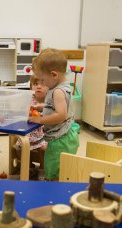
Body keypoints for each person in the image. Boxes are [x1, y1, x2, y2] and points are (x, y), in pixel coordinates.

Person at [29, 48, 79, 181]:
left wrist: (40, 120)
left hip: (60, 140)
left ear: (54, 75)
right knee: (59, 167)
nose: (42, 84)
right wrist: (40, 106)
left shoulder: (57, 92)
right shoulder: (63, 87)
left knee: (54, 169)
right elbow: (56, 107)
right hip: (64, 136)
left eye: (43, 80)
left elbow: (61, 115)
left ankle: (54, 189)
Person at [15, 75, 48, 180]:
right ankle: (29, 168)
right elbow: (21, 113)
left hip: (45, 135)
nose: (38, 87)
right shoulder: (29, 100)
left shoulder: (50, 100)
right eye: (35, 84)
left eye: (42, 84)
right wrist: (25, 113)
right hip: (29, 134)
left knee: (44, 149)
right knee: (19, 147)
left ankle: (44, 170)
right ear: (31, 87)